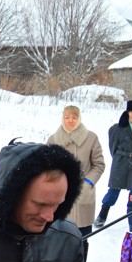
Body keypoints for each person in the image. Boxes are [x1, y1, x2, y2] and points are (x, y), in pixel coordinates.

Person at [47, 105, 105, 251]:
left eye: (74, 117)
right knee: (59, 240)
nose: (70, 120)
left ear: (79, 118)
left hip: (83, 196)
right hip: (60, 196)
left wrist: (88, 182)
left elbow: (99, 164)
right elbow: (45, 165)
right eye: (67, 117)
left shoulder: (91, 138)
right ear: (62, 118)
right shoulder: (53, 139)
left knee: (82, 240)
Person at [95, 100, 132, 228]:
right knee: (113, 190)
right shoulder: (116, 129)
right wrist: (120, 158)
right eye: (131, 111)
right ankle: (103, 213)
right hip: (121, 162)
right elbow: (113, 147)